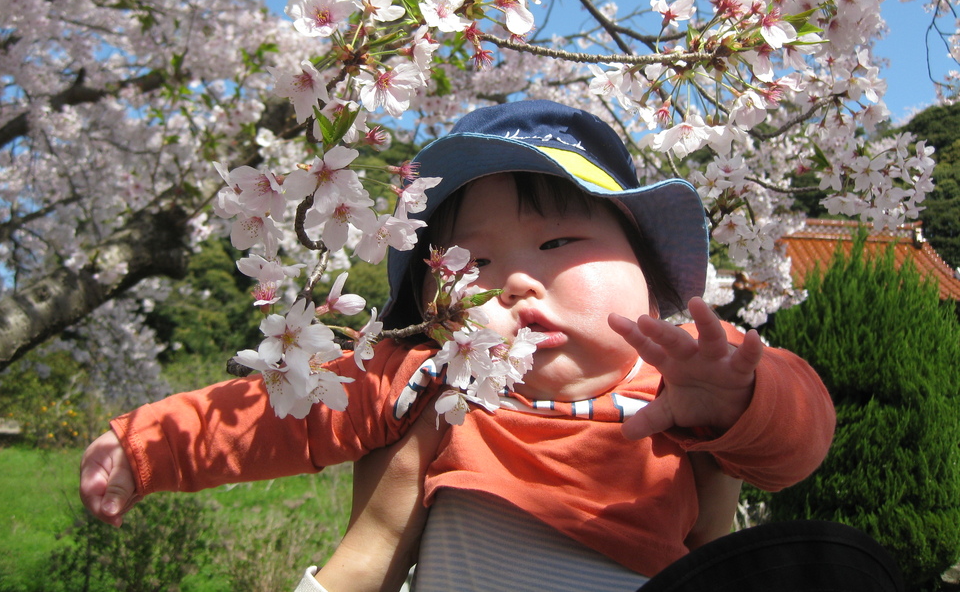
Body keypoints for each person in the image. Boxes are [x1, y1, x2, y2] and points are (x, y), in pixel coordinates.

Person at [80, 100, 837, 591]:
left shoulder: (681, 378)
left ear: (643, 265)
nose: (514, 284)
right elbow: (286, 406)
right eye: (470, 265)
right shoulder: (428, 380)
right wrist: (149, 445)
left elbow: (798, 444)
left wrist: (740, 400)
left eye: (559, 241)